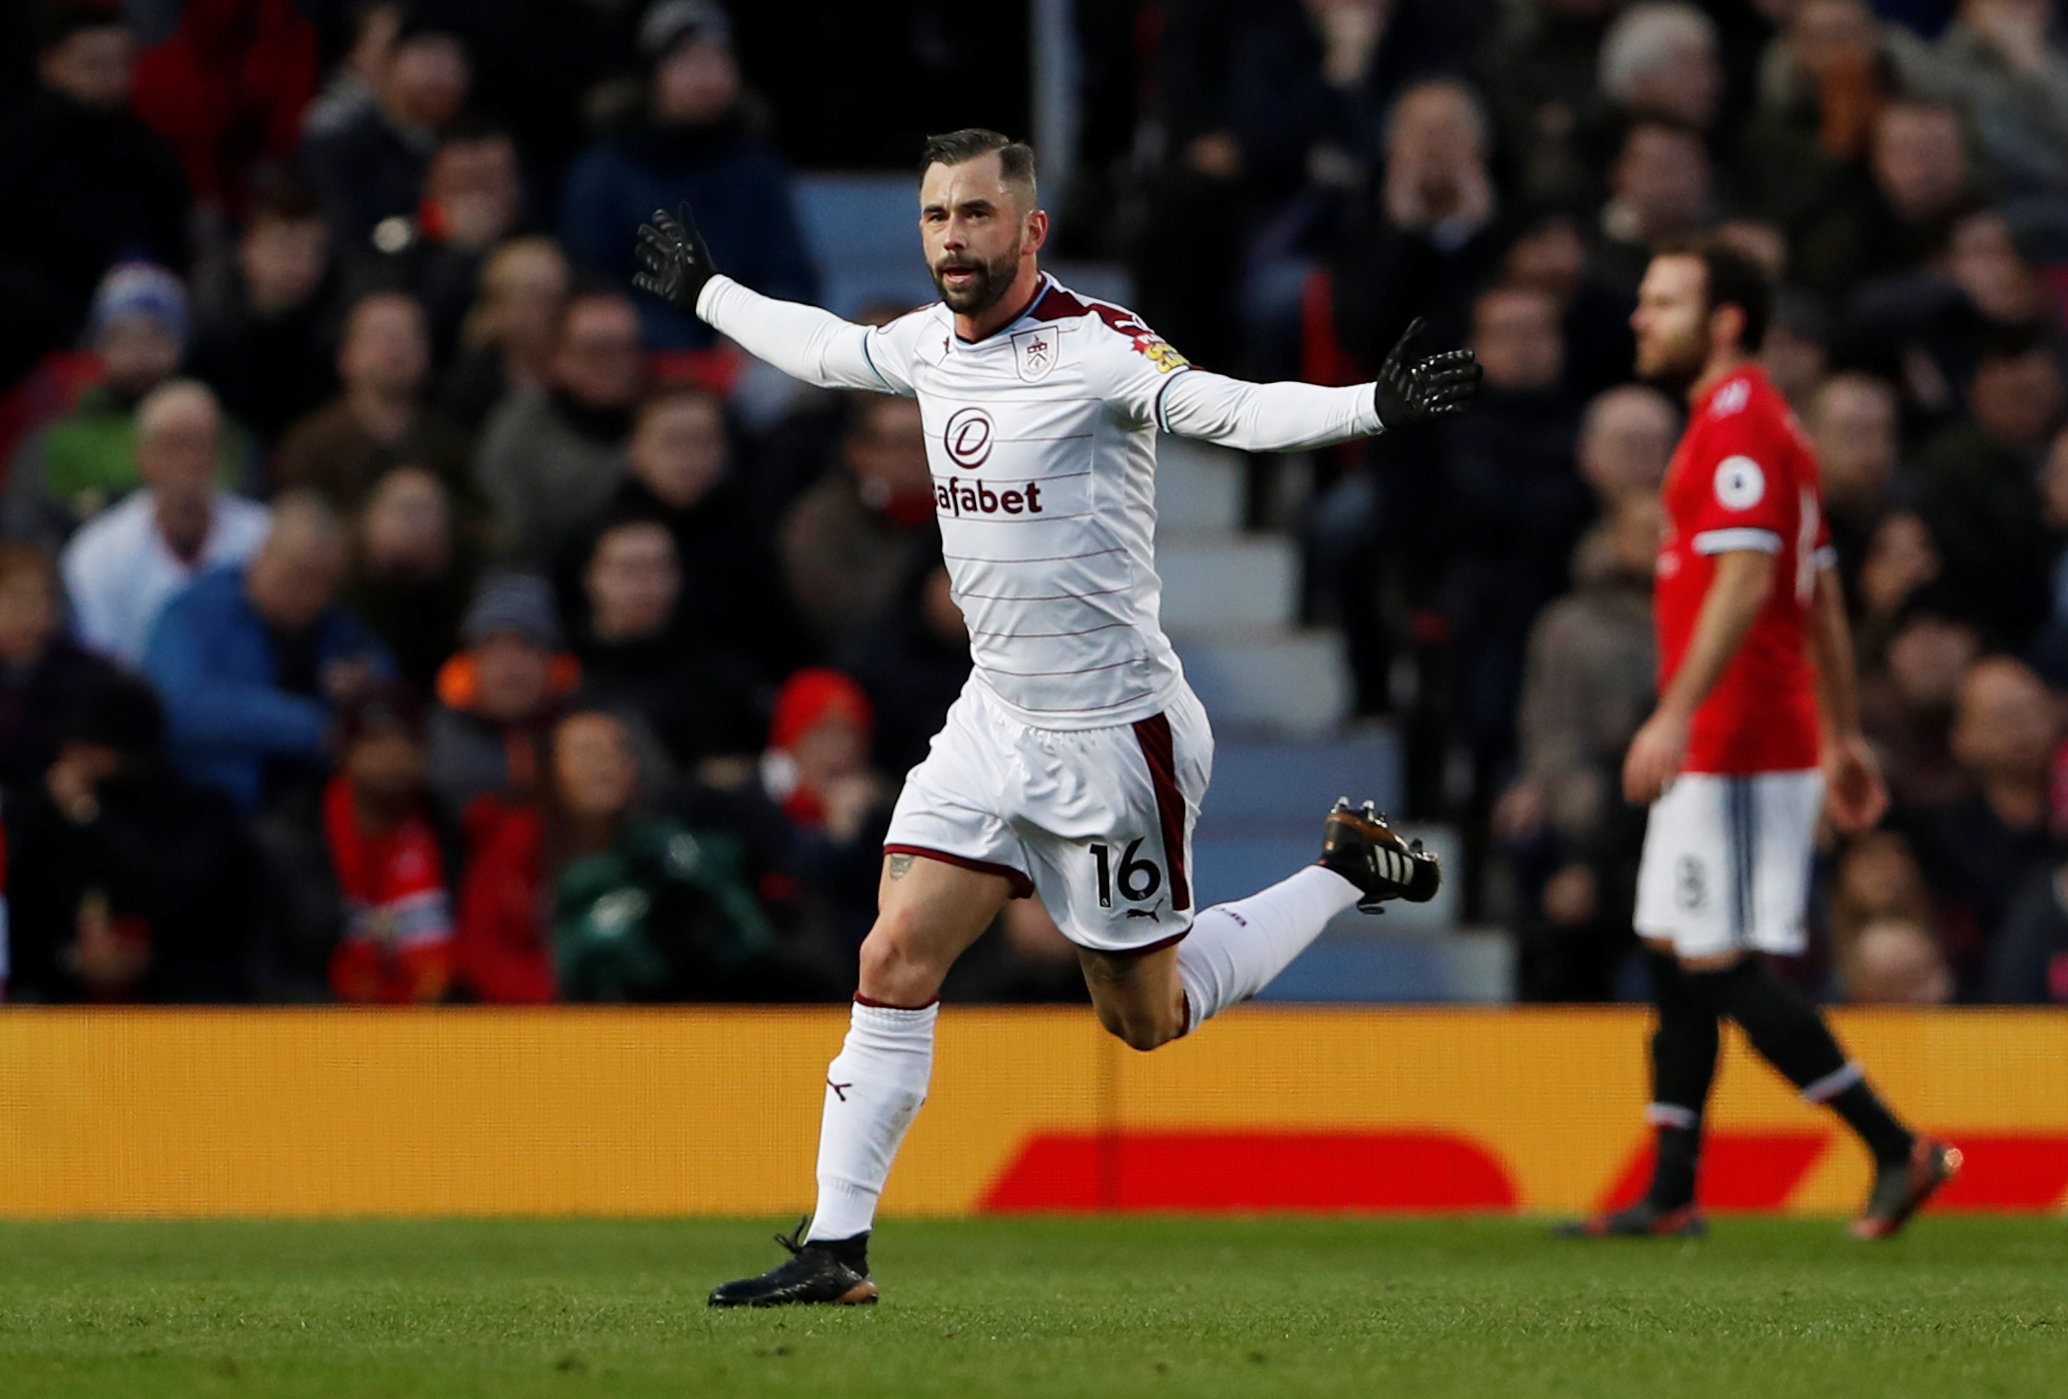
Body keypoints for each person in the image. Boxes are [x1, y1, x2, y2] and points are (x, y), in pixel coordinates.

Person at [634, 127, 1478, 1306]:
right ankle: (836, 1247)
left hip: (1113, 736)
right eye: (935, 217)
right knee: (892, 953)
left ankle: (1345, 869)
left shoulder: (1097, 346)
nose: (951, 240)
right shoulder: (928, 344)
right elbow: (827, 351)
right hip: (994, 713)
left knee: (1143, 1017)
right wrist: (709, 291)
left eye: (976, 216)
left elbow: (1224, 410)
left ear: (1030, 229)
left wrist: (1367, 410)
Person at [1557, 239, 1957, 1242]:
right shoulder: (1752, 428)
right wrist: (1842, 736)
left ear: (1724, 320)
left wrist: (1676, 711)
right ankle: (1672, 1191)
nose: (1641, 318)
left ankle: (1894, 1144)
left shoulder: (1739, 426)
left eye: (1663, 301)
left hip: (1734, 740)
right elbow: (1815, 585)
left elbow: (1745, 579)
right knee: (1670, 951)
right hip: (1743, 736)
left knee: (1718, 961)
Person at [143, 492, 392, 814]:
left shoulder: (334, 625)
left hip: (319, 806)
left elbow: (385, 678)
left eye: (327, 582)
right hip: (213, 806)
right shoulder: (192, 613)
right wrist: (314, 726)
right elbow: (180, 706)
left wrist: (363, 685)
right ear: (263, 557)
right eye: (300, 575)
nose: (312, 596)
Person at [60, 380, 269, 666]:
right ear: (143, 456)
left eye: (200, 444)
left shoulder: (263, 537)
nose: (189, 460)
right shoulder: (97, 552)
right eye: (173, 445)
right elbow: (100, 659)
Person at [473, 289, 642, 565]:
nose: (614, 364)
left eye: (625, 348)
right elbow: (510, 532)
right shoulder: (520, 429)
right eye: (596, 351)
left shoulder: (661, 418)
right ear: (558, 357)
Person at [274, 289, 473, 515]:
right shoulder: (310, 446)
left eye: (409, 336)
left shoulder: (451, 444)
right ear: (346, 355)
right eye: (381, 335)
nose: (396, 349)